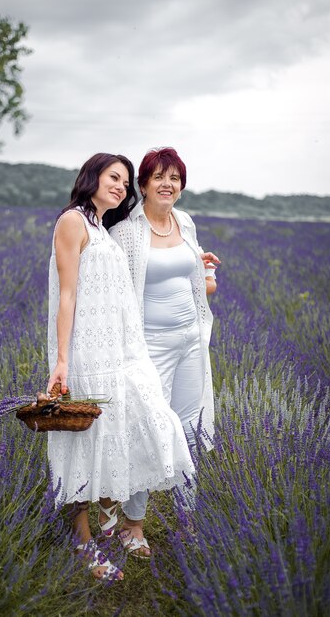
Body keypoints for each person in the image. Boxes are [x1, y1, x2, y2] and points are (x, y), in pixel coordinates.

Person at [46, 153, 195, 580]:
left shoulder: (100, 226)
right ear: (92, 176)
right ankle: (82, 541)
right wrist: (61, 361)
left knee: (136, 424)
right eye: (114, 177)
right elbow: (67, 293)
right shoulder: (73, 221)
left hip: (118, 352)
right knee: (83, 441)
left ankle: (112, 522)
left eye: (125, 182)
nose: (121, 186)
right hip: (87, 356)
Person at [108, 147, 220, 557]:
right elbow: (112, 290)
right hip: (149, 345)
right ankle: (132, 524)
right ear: (143, 185)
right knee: (150, 428)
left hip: (191, 339)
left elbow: (197, 283)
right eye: (158, 176)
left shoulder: (185, 222)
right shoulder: (127, 234)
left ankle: (187, 518)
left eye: (174, 177)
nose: (167, 184)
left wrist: (206, 272)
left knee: (191, 428)